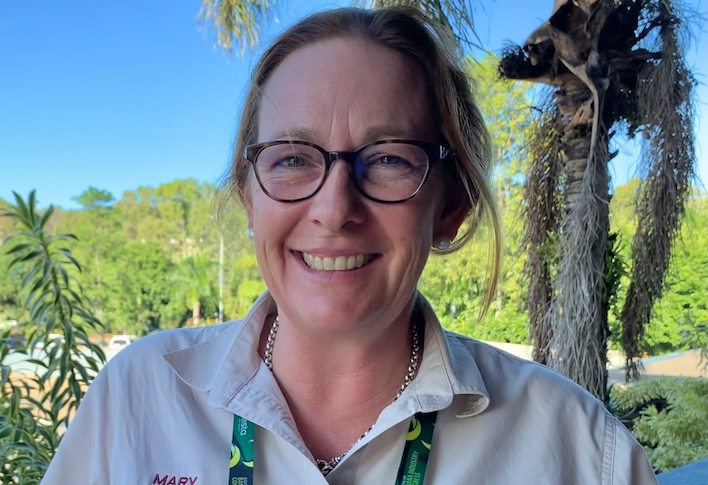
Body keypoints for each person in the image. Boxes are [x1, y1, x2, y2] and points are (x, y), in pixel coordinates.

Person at [42, 6, 656, 484]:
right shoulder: (136, 399)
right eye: (290, 159)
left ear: (448, 208)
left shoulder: (576, 450)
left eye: (388, 158)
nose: (334, 209)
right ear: (250, 198)